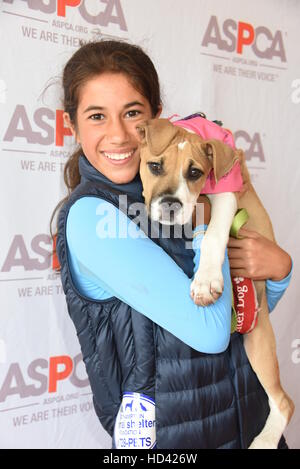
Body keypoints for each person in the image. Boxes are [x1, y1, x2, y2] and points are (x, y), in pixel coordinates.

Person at [52, 40, 292, 449]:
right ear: (71, 125)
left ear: (157, 119)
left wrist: (277, 270)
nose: (120, 134)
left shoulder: (168, 194)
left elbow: (244, 316)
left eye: (132, 113)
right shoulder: (96, 219)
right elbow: (212, 330)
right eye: (97, 117)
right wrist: (209, 228)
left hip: (247, 422)